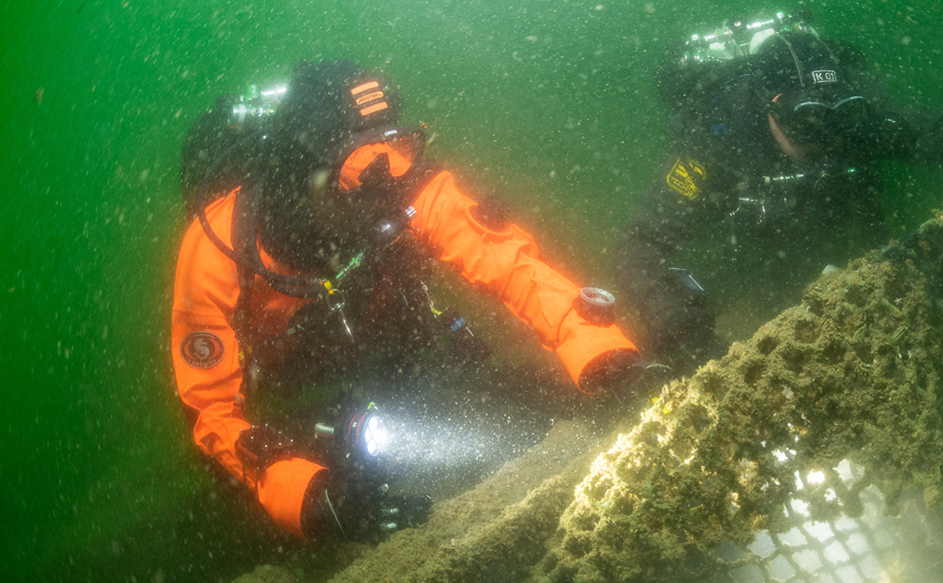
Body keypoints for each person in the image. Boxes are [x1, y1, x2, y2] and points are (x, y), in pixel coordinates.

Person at [172, 59, 641, 543]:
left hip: (399, 353)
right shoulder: (217, 249)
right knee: (264, 516)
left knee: (504, 388)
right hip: (293, 402)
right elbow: (210, 412)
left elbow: (508, 263)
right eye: (359, 174)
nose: (385, 187)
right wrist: (304, 496)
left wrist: (603, 353)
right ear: (300, 174)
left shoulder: (402, 184)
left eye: (395, 152)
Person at [615, 15, 943, 370]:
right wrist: (681, 329)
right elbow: (640, 246)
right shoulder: (713, 139)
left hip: (837, 242)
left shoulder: (856, 116)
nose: (823, 134)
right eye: (805, 118)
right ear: (768, 104)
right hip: (749, 252)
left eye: (836, 115)